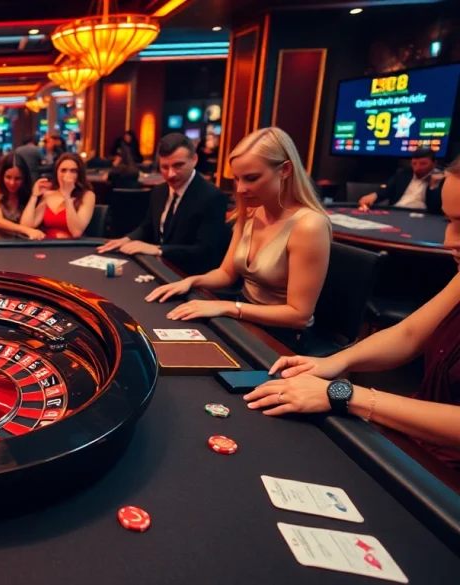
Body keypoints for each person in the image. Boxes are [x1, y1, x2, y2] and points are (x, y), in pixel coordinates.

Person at [245, 155, 460, 469]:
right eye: (449, 221)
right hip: (418, 439)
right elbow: (409, 335)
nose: (448, 240)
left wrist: (344, 393)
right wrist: (332, 363)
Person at [144, 127, 331, 352]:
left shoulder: (310, 225)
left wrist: (228, 307)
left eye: (251, 178)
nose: (241, 189)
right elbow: (226, 274)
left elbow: (298, 315)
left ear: (285, 170)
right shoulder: (251, 210)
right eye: (237, 179)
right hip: (243, 319)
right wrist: (192, 281)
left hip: (284, 337)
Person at [97, 133, 230, 276]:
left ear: (194, 160)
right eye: (165, 167)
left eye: (178, 165)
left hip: (190, 276)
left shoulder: (212, 197)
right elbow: (147, 226)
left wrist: (159, 249)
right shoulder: (159, 191)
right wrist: (127, 239)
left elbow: (206, 251)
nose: (171, 174)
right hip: (158, 268)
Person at [20, 153, 95, 239]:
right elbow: (26, 226)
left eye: (73, 171)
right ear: (57, 173)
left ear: (79, 174)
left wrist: (67, 196)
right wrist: (34, 196)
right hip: (48, 244)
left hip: (71, 247)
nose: (67, 174)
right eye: (63, 170)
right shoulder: (48, 194)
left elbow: (76, 232)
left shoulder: (88, 195)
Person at [358, 149, 444, 213]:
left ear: (434, 163)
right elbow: (386, 191)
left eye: (423, 164)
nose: (417, 168)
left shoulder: (442, 179)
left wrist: (433, 186)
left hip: (422, 215)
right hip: (396, 211)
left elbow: (435, 208)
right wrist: (373, 196)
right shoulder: (403, 174)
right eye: (414, 163)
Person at [0, 156, 45, 240]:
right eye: (8, 177)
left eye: (17, 179)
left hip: (22, 244)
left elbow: (29, 223)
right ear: (1, 176)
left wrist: (34, 196)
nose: (12, 183)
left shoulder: (29, 191)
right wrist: (27, 230)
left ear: (24, 178)